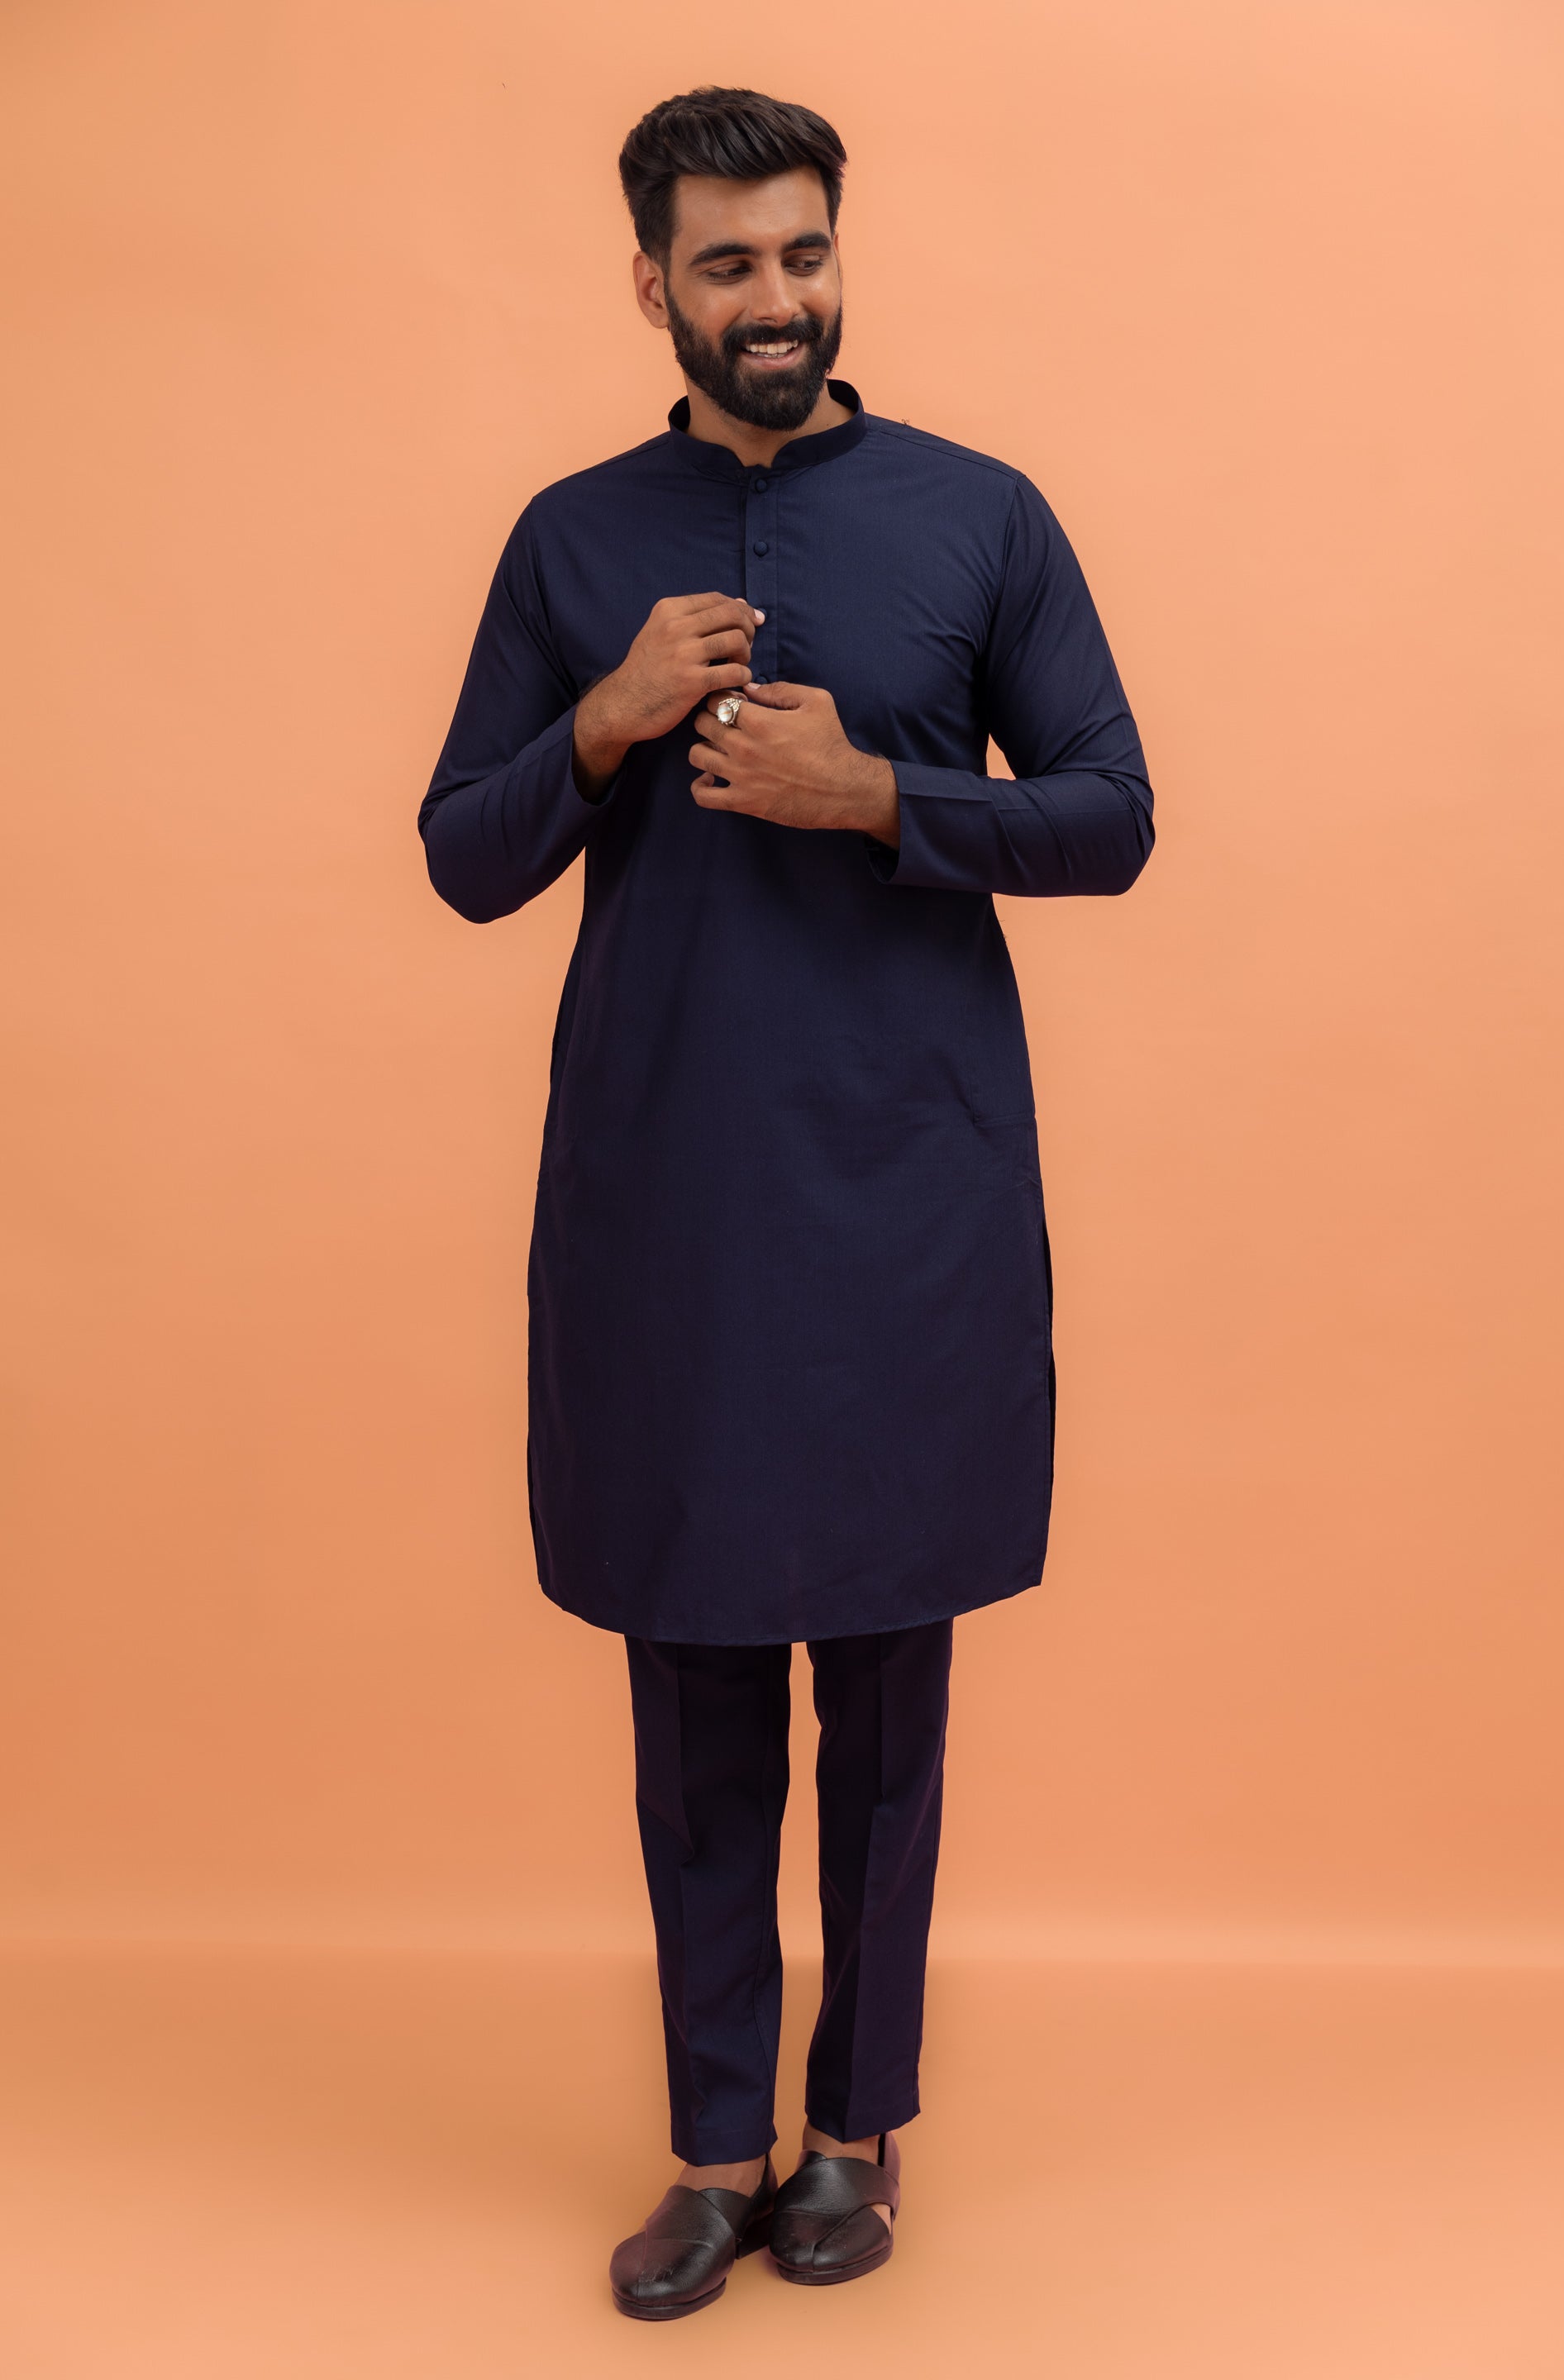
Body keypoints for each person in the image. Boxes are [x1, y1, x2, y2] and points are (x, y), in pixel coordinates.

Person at [419, 85, 1154, 2320]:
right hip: (666, 1202)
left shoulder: (978, 515)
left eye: (805, 253)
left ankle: (858, 2132)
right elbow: (462, 856)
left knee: (892, 1690)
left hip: (910, 1195)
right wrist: (607, 722)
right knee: (696, 1686)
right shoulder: (572, 541)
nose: (776, 299)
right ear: (651, 281)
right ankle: (712, 2149)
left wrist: (879, 795)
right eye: (727, 263)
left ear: (842, 257)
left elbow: (1113, 814)